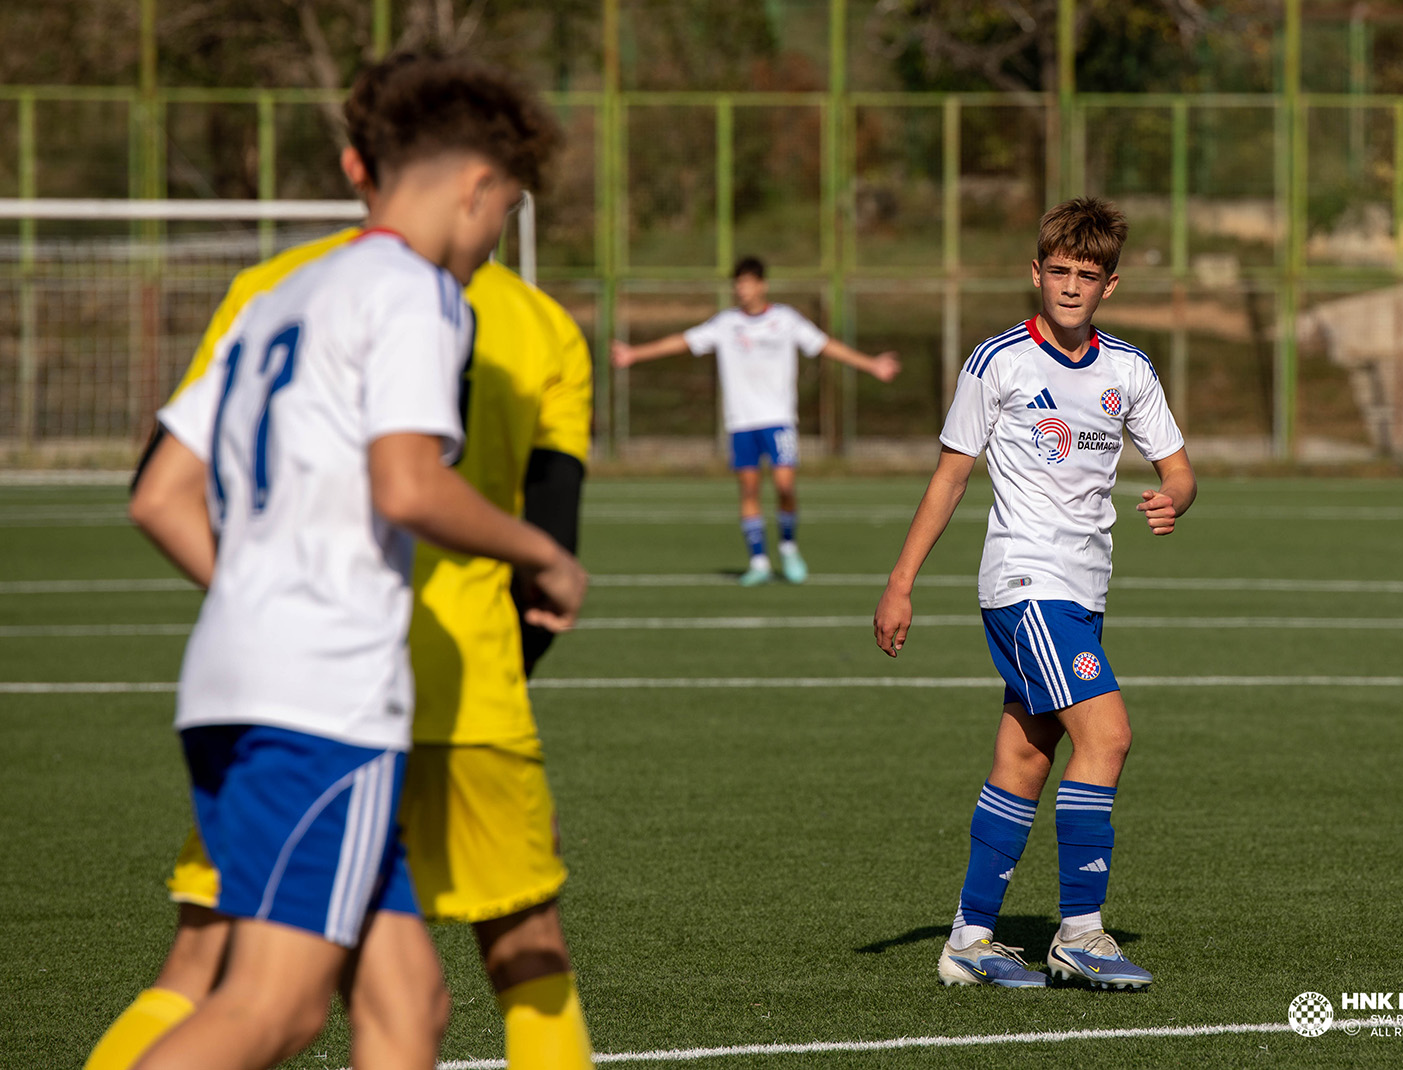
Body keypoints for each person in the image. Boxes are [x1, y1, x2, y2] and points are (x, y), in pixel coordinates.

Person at [87, 53, 597, 1070]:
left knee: (408, 1002)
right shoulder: (418, 293)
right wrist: (542, 549)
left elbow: (158, 493)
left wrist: (263, 592)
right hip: (327, 699)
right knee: (269, 1011)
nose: (495, 238)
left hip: (232, 684)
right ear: (474, 186)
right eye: (503, 209)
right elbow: (406, 482)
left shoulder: (281, 292)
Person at [872, 197, 1195, 991]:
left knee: (1024, 755)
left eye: (1087, 275)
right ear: (1035, 273)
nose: (1071, 286)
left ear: (1109, 285)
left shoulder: (1128, 370)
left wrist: (1173, 498)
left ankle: (969, 939)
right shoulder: (999, 363)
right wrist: (899, 582)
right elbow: (951, 474)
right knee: (1108, 735)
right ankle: (1080, 933)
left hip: (1081, 593)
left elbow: (1178, 467)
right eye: (1058, 271)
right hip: (1024, 583)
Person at [610, 256, 901, 585]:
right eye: (737, 284)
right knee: (749, 490)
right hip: (741, 423)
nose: (742, 290)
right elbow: (682, 341)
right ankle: (759, 561)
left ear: (762, 284)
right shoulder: (726, 323)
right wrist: (635, 353)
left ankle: (788, 547)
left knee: (784, 486)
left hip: (779, 420)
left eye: (747, 283)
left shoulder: (786, 320)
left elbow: (825, 346)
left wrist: (871, 365)